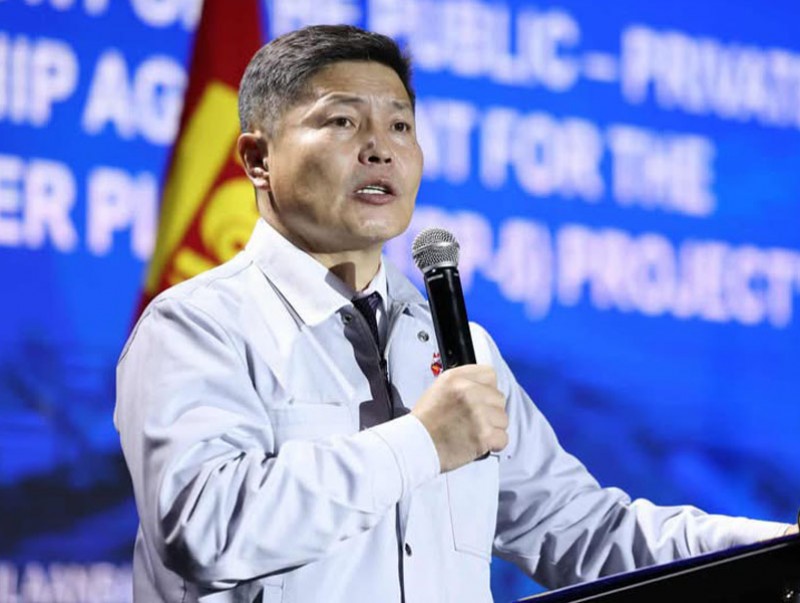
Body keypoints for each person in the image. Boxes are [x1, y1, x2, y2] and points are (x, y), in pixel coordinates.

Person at [114, 24, 797, 603]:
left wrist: (779, 546)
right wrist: (422, 441)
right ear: (257, 158)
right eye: (343, 121)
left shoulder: (457, 345)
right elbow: (205, 528)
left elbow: (587, 532)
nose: (380, 146)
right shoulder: (198, 326)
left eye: (400, 125)